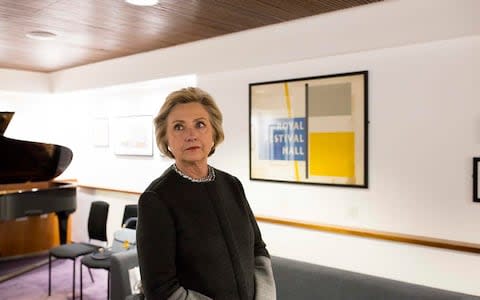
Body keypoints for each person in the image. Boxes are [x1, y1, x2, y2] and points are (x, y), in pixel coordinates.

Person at [137, 87, 276, 300]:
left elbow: (258, 249)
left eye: (200, 124)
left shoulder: (232, 184)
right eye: (179, 127)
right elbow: (161, 290)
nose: (191, 135)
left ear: (213, 133)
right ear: (167, 140)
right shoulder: (156, 199)